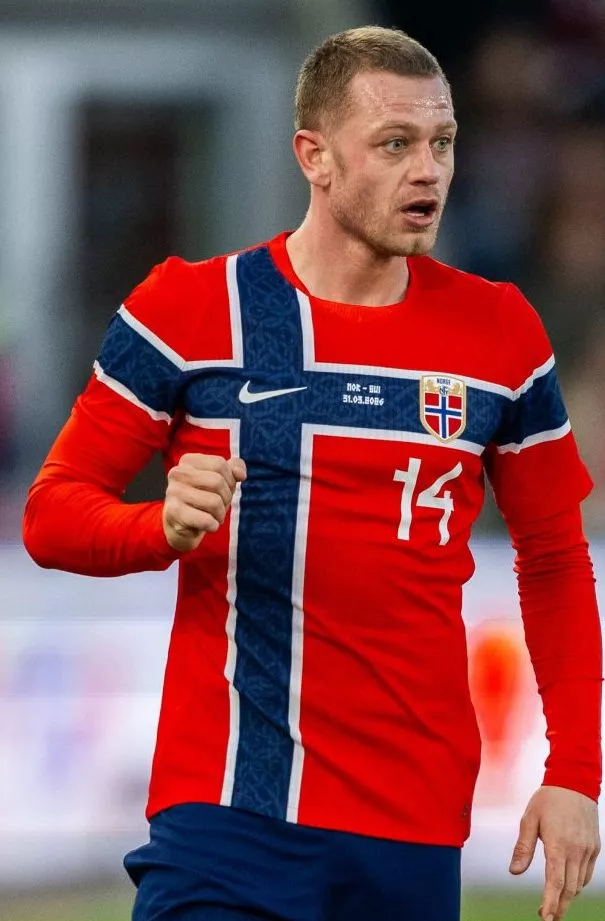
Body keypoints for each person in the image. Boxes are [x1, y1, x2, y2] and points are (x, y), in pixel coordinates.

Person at [23, 25, 601, 921]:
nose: (429, 172)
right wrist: (157, 528)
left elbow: (556, 558)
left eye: (442, 143)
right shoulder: (189, 308)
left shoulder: (499, 333)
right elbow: (50, 516)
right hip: (227, 818)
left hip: (411, 828)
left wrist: (574, 773)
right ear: (315, 157)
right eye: (395, 144)